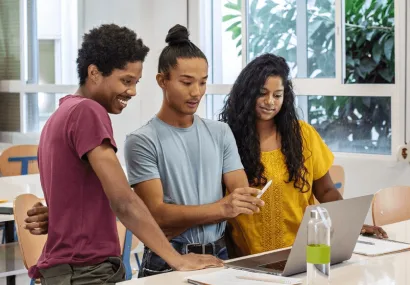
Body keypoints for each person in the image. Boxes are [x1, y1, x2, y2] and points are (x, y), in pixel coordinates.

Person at [24, 24, 222, 284]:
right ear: (94, 73)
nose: (133, 91)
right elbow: (124, 201)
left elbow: (79, 195)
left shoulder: (61, 114)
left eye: (136, 82)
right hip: (86, 271)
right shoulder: (88, 112)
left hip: (68, 270)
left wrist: (62, 216)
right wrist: (178, 259)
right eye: (126, 81)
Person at [123, 24, 264, 277]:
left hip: (220, 252)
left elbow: (240, 199)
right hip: (167, 256)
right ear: (162, 81)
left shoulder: (220, 132)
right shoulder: (141, 140)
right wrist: (221, 209)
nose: (196, 92)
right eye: (186, 82)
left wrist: (182, 216)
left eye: (202, 82)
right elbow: (158, 215)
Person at [219, 53, 388, 257]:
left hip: (303, 253)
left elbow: (325, 191)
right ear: (247, 94)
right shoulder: (227, 138)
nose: (269, 102)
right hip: (248, 259)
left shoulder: (303, 135)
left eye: (277, 95)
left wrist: (353, 224)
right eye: (262, 93)